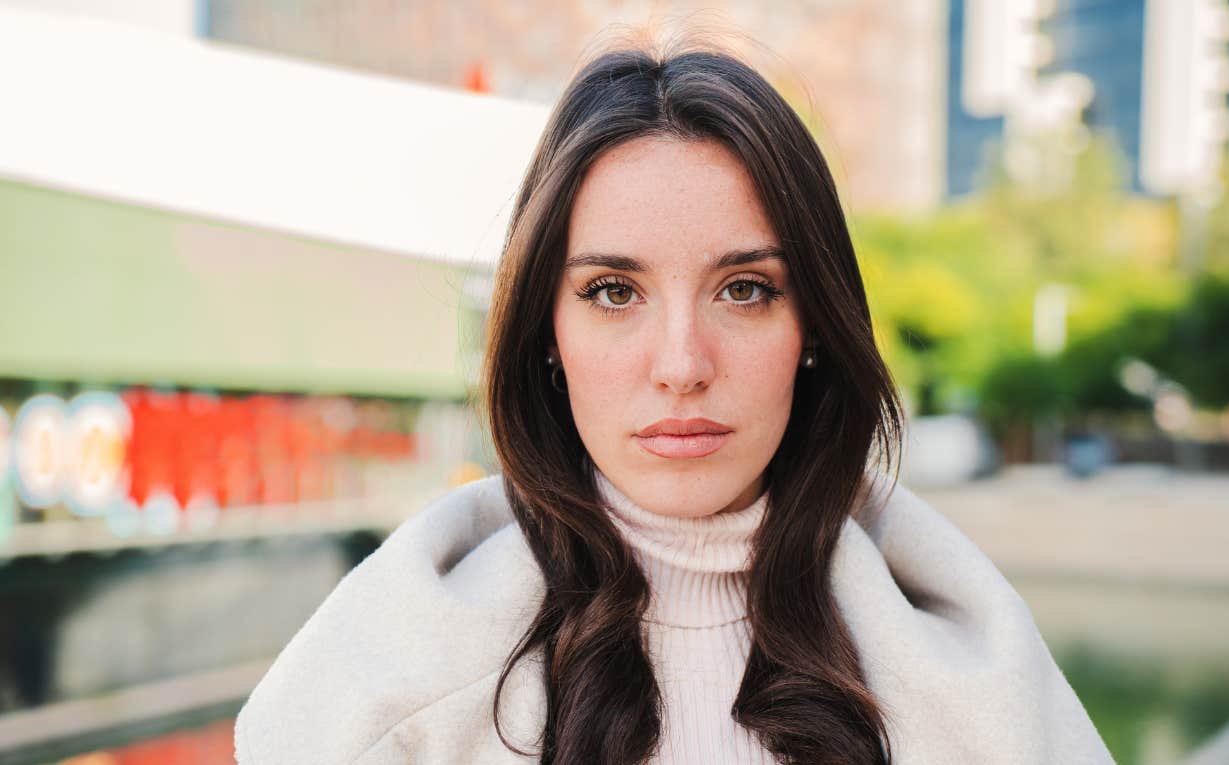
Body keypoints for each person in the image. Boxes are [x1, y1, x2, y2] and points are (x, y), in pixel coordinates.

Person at [233, 40, 1114, 765]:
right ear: (547, 331)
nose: (683, 364)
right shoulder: (405, 673)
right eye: (615, 292)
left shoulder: (970, 670)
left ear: (814, 323)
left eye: (744, 289)